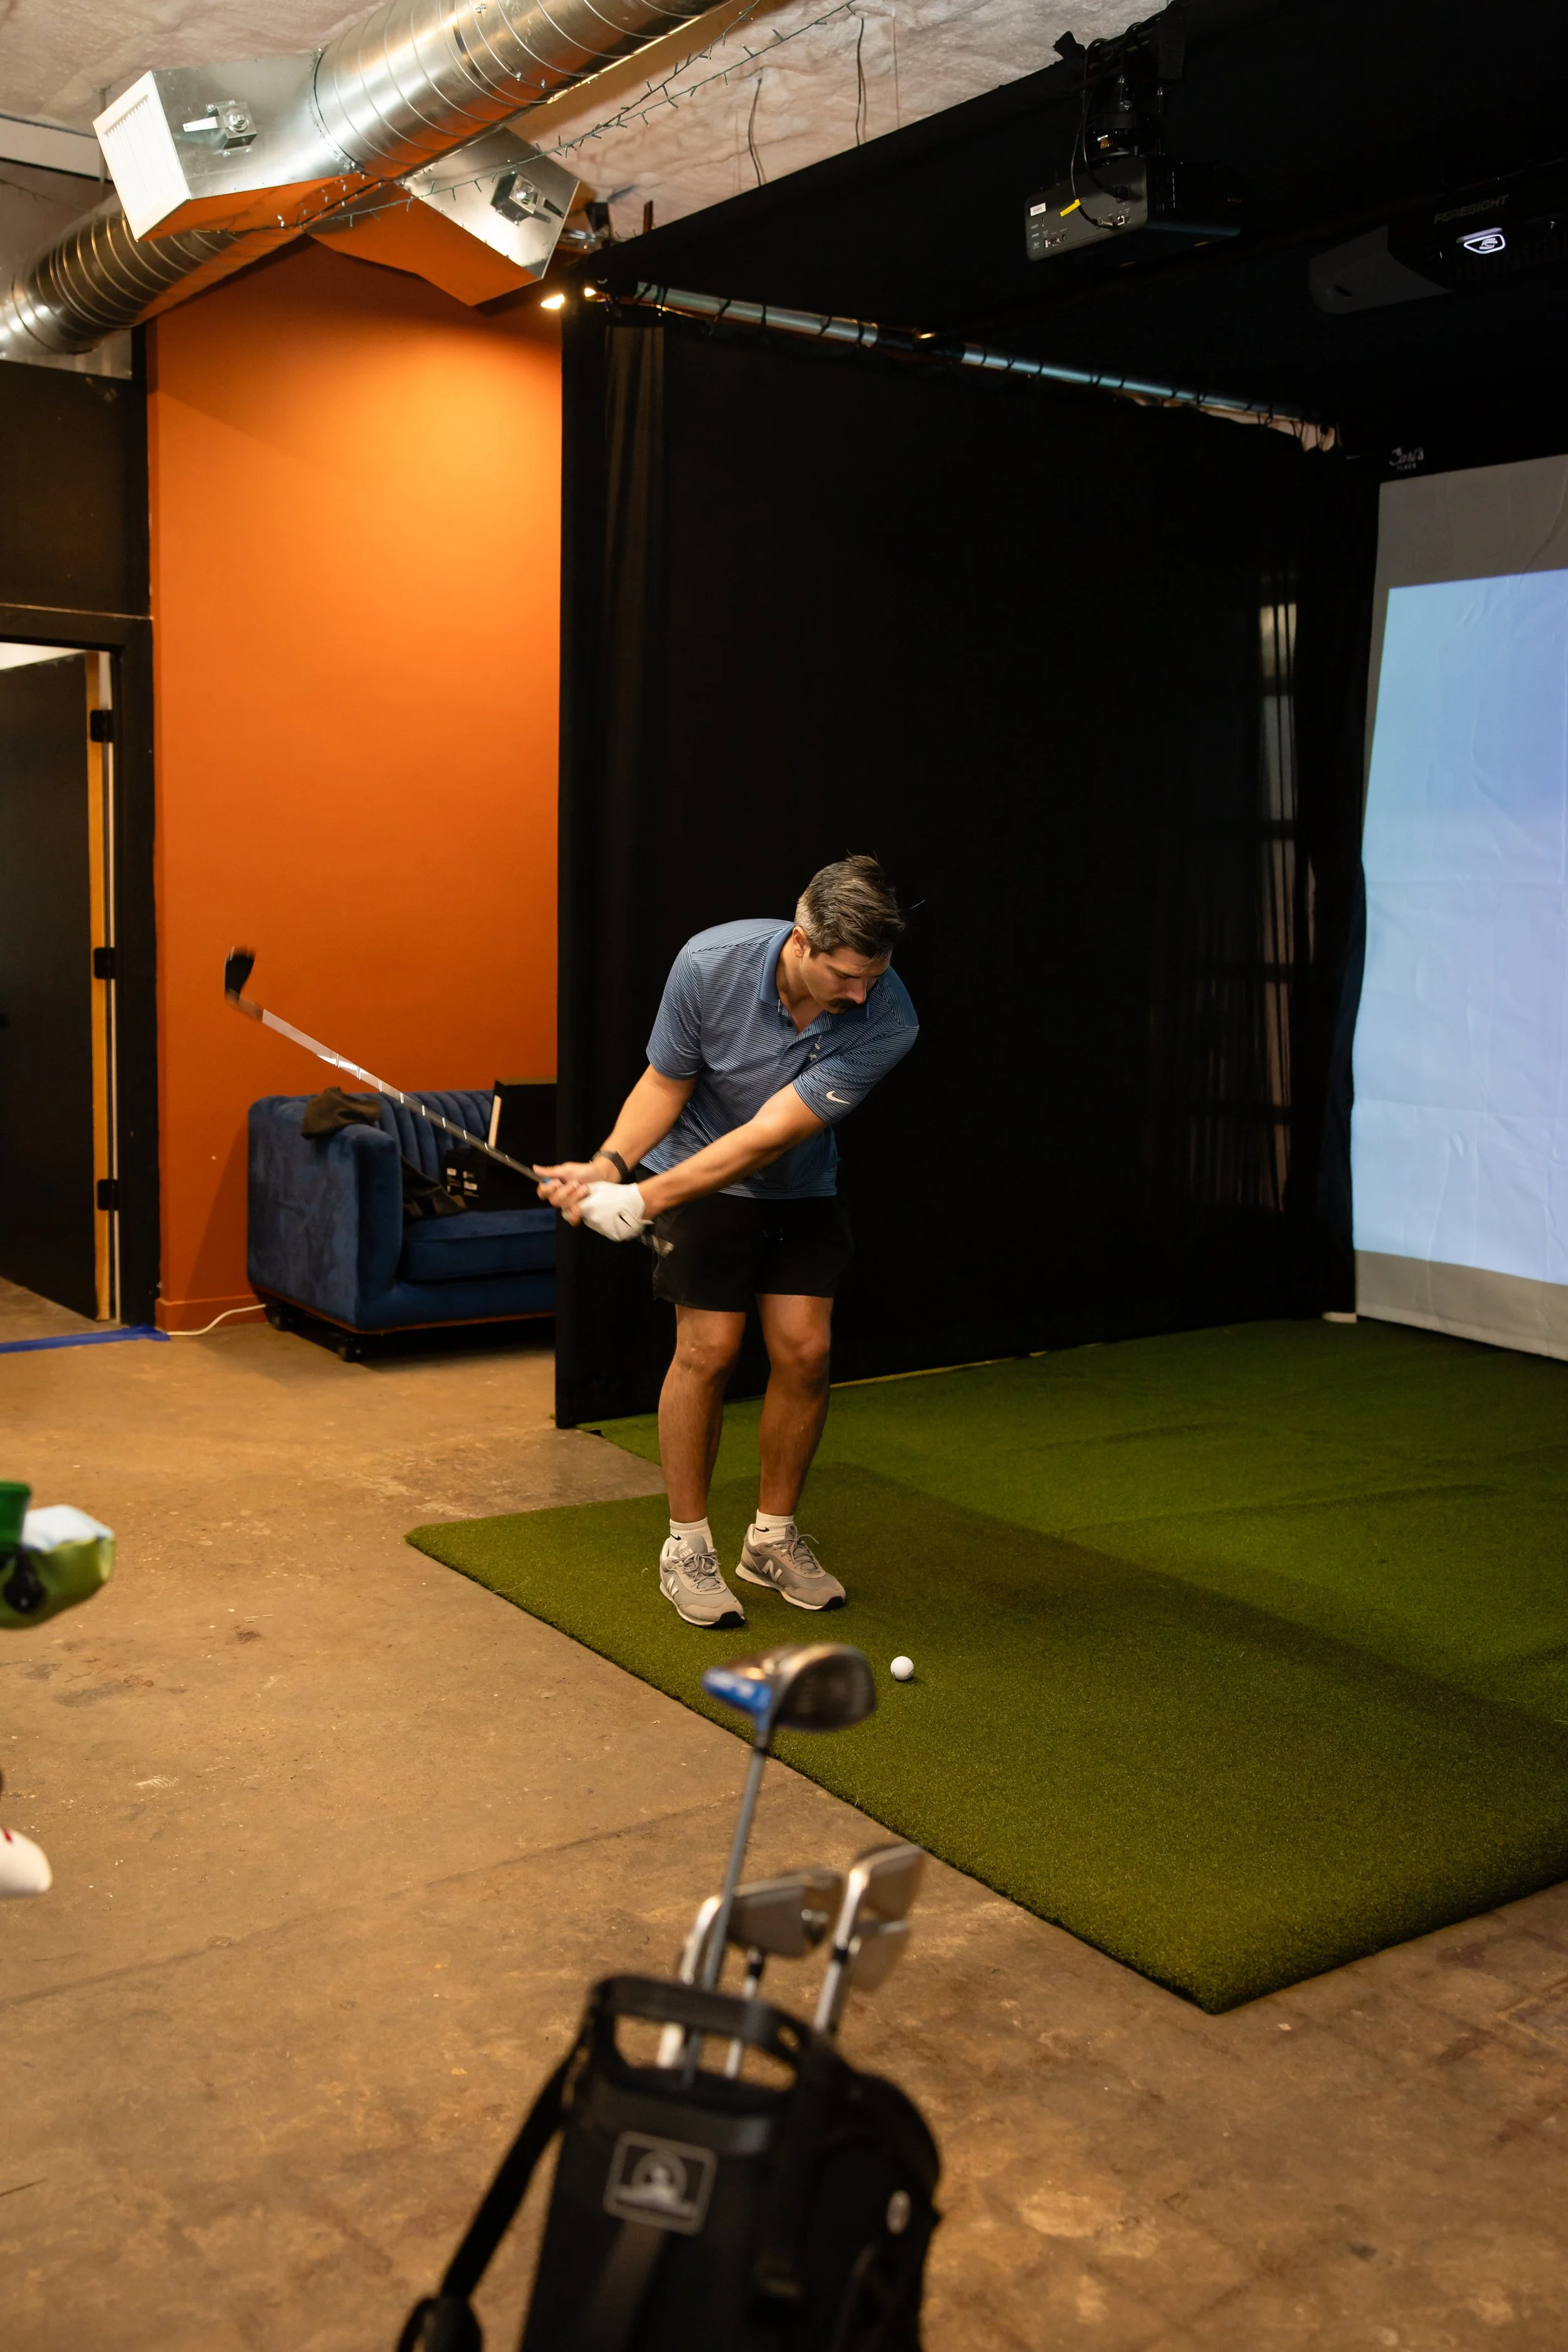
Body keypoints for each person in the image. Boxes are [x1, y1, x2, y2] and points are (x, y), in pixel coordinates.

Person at [536, 855, 918, 1630]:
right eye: (847, 975)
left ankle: (770, 1540)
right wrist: (610, 1163)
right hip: (697, 1182)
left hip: (798, 1184)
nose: (861, 992)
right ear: (803, 942)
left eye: (874, 974)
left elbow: (767, 1138)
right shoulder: (709, 963)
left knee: (806, 1351)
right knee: (707, 1351)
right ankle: (686, 1547)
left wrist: (638, 1198)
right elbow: (666, 1081)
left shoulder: (889, 1019)